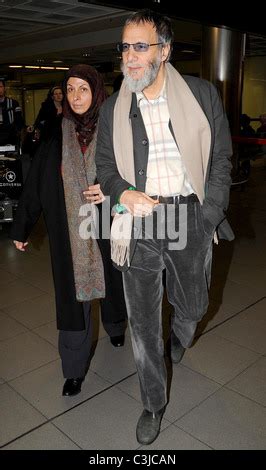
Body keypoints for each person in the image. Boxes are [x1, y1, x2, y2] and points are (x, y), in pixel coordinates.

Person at [96, 9, 234, 445]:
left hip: (188, 216)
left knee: (192, 306)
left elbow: (221, 160)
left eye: (141, 46)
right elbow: (104, 165)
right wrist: (121, 192)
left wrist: (208, 214)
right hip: (139, 222)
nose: (130, 57)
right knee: (142, 325)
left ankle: (180, 334)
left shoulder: (201, 94)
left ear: (166, 51)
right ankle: (153, 403)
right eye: (125, 47)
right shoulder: (113, 108)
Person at [10, 64, 127, 398]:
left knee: (114, 281)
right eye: (70, 89)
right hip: (68, 232)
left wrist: (110, 189)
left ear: (96, 91)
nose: (76, 97)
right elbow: (36, 184)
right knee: (71, 298)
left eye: (83, 89)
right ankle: (73, 369)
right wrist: (22, 225)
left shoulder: (114, 132)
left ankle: (115, 324)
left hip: (108, 223)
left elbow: (135, 173)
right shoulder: (54, 135)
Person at [0, 78, 25, 146]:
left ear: (4, 88)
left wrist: (17, 131)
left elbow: (19, 120)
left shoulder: (13, 103)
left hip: (10, 137)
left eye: (1, 87)